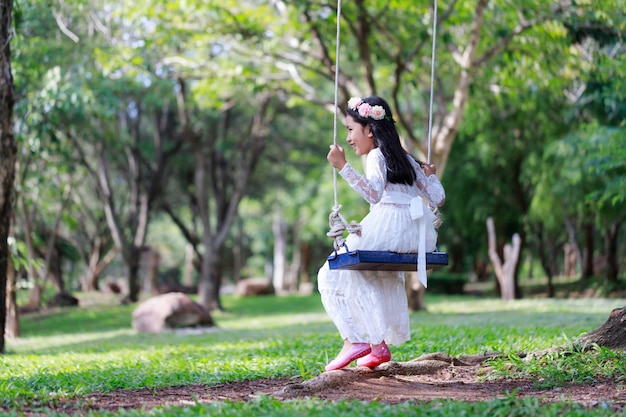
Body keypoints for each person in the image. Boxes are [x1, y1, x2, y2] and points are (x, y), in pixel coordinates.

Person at [318, 96, 446, 372]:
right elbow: (438, 196)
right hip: (414, 233)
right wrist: (431, 174)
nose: (349, 138)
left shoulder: (376, 156)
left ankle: (355, 340)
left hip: (387, 225)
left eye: (351, 129)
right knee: (369, 273)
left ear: (369, 130)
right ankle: (377, 347)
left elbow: (374, 195)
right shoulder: (410, 161)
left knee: (328, 274)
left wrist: (343, 167)